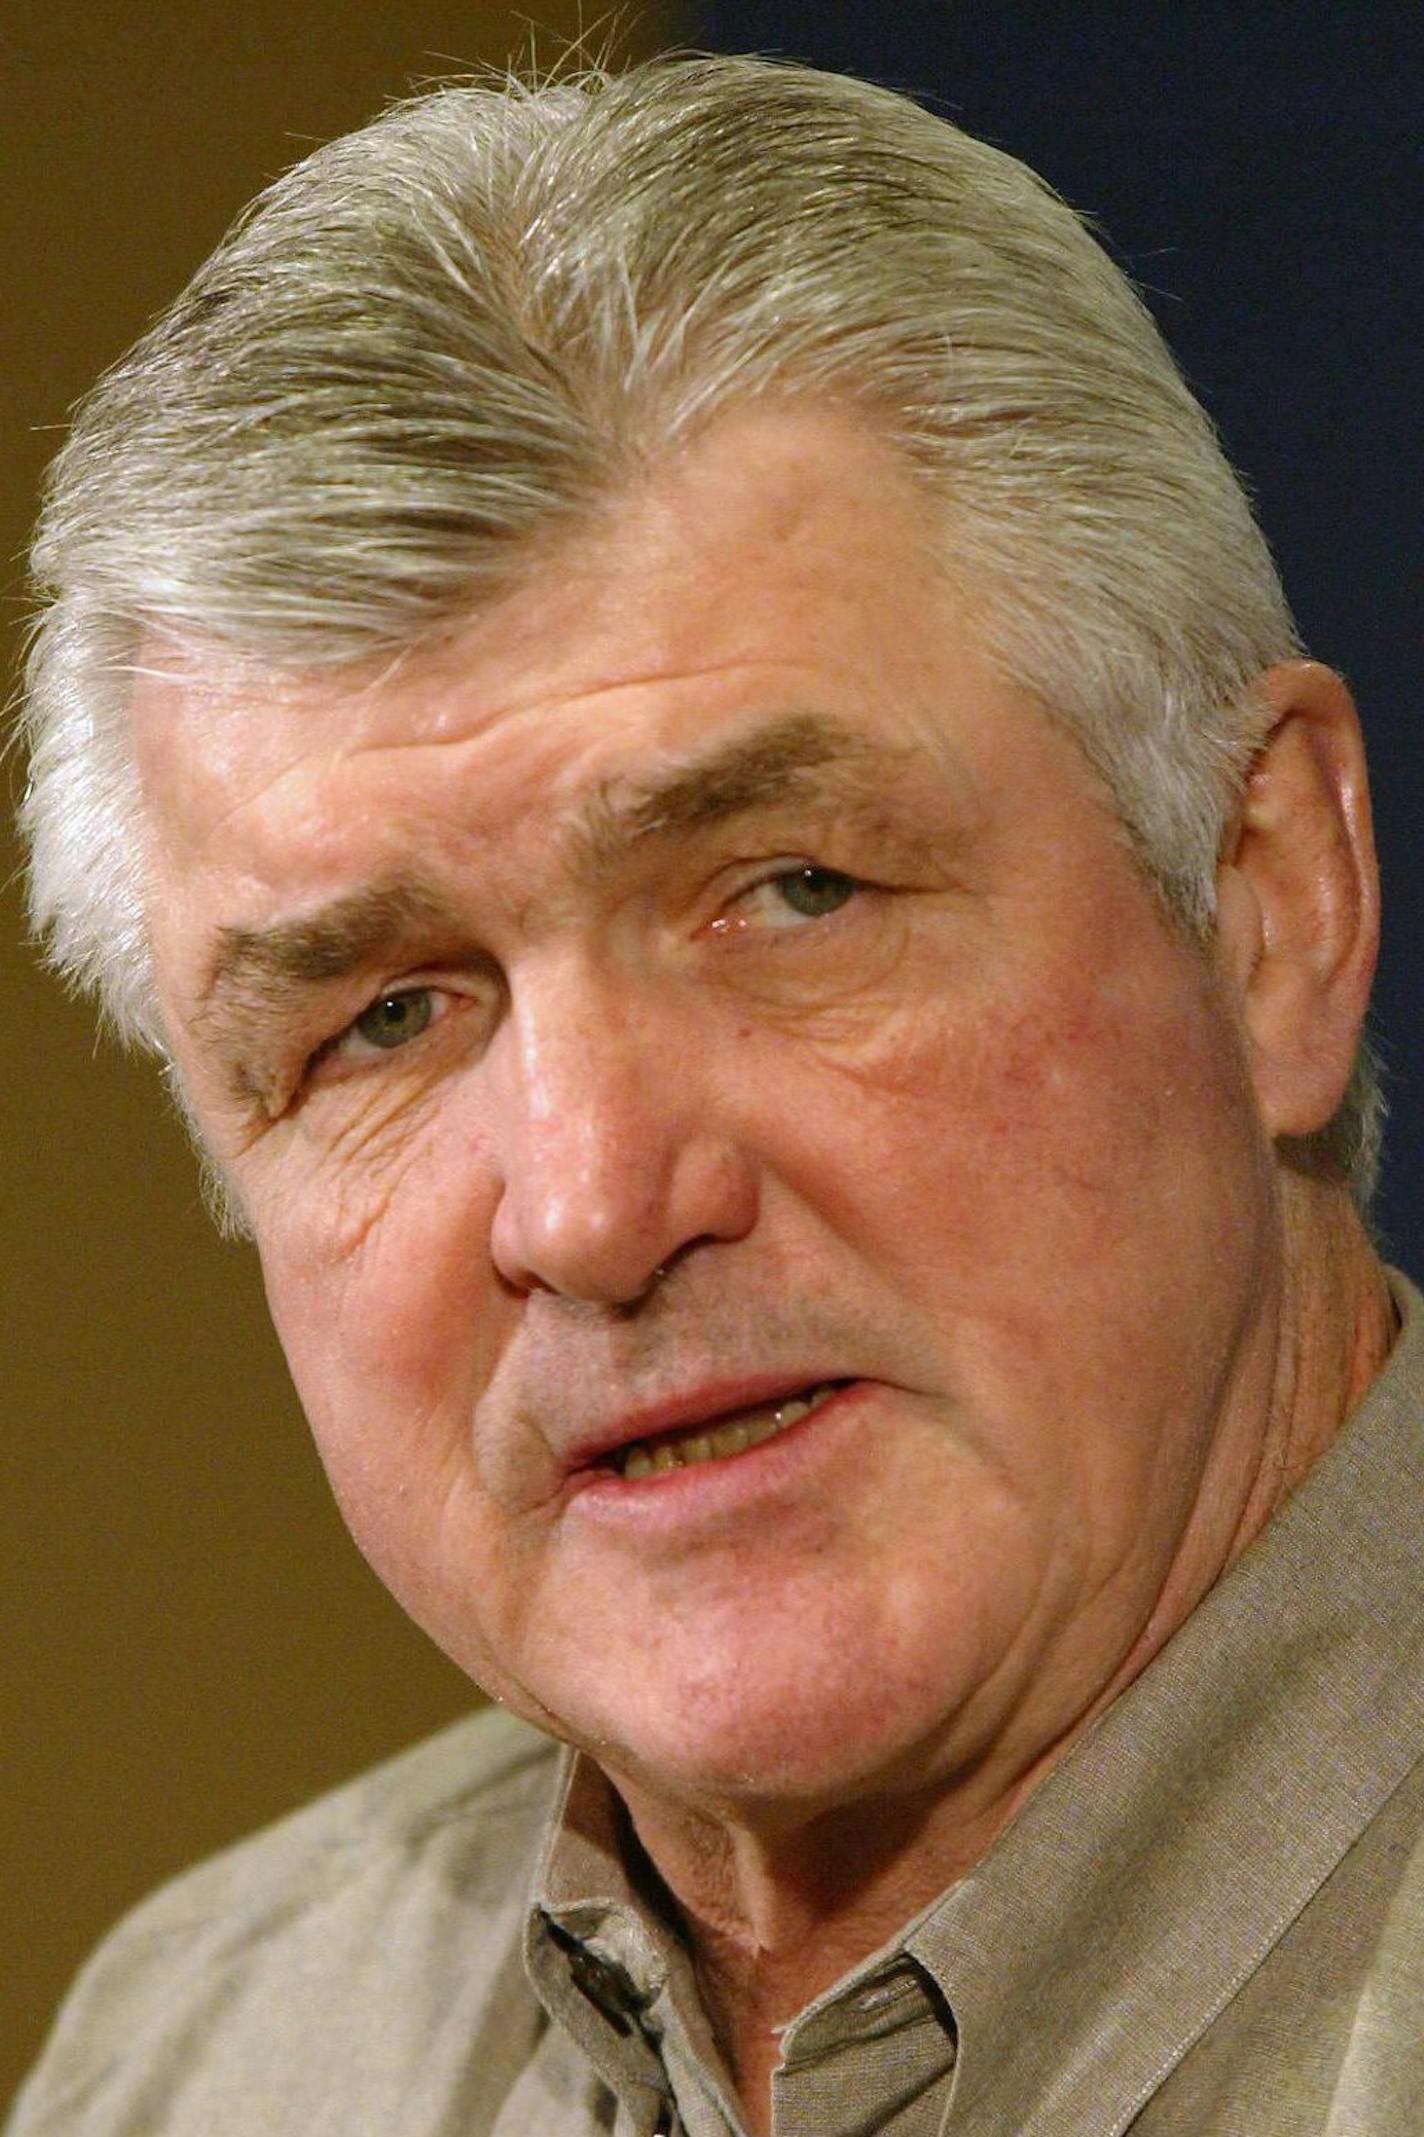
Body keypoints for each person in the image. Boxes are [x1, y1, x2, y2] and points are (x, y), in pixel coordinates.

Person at [9, 52, 1420, 2137]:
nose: (589, 1202)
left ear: (1266, 905)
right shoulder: (206, 2058)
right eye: (384, 1020)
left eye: (789, 890)